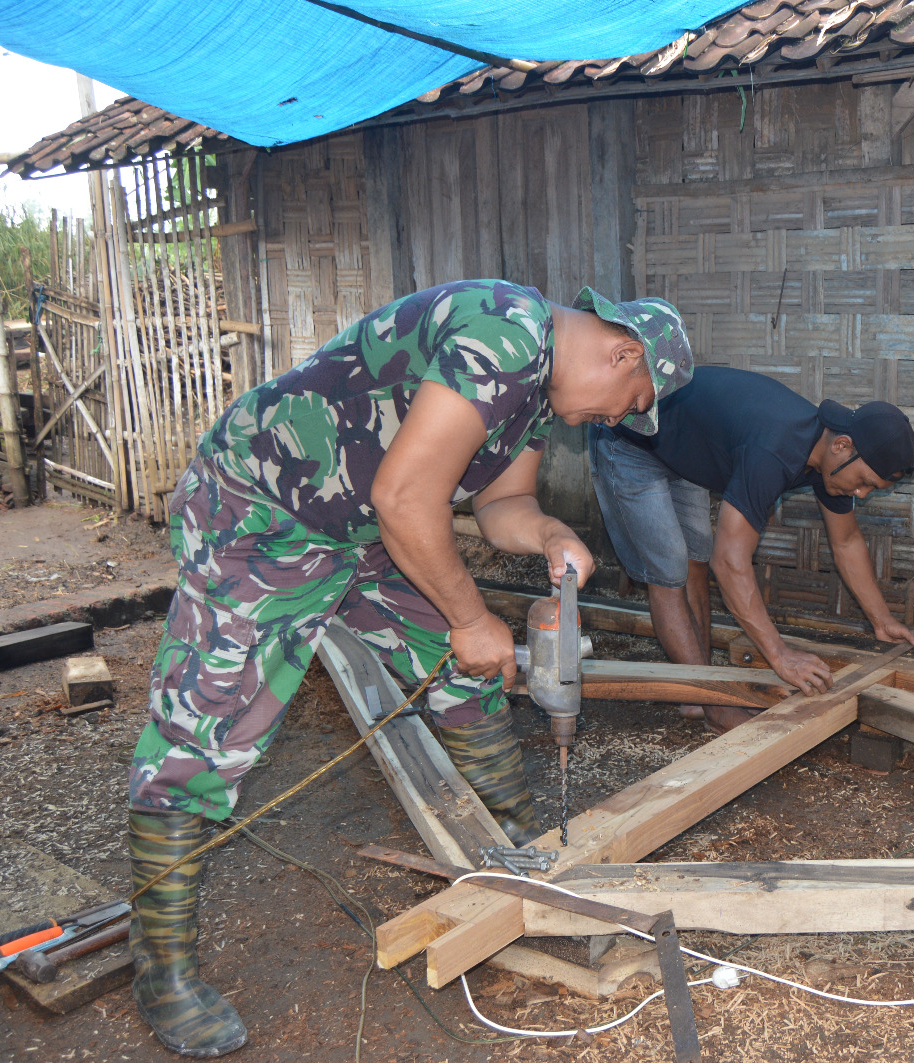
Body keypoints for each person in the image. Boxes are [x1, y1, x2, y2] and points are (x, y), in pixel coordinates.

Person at [125, 280, 693, 1058]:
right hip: (261, 514)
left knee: (462, 673)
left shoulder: (534, 392)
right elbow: (404, 496)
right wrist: (469, 616)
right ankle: (163, 971)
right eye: (633, 399)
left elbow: (503, 505)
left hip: (359, 526)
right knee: (205, 734)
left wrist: (553, 532)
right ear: (624, 351)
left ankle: (518, 838)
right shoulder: (504, 332)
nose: (623, 417)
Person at [588, 365, 914, 732]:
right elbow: (730, 562)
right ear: (842, 446)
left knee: (695, 561)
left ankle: (697, 690)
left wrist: (881, 620)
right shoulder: (775, 449)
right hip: (632, 440)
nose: (860, 494)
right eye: (863, 482)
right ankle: (712, 703)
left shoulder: (827, 458)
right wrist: (780, 656)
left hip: (679, 449)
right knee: (669, 572)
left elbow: (846, 540)